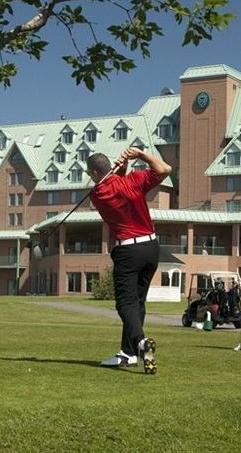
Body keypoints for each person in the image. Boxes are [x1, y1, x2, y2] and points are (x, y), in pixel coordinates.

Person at [87, 147, 172, 374]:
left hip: (128, 251)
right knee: (138, 302)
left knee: (125, 304)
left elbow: (113, 187)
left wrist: (120, 171)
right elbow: (165, 169)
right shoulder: (133, 180)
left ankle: (141, 343)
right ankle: (128, 353)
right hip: (151, 247)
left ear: (95, 173)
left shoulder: (97, 194)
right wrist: (141, 155)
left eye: (89, 173)